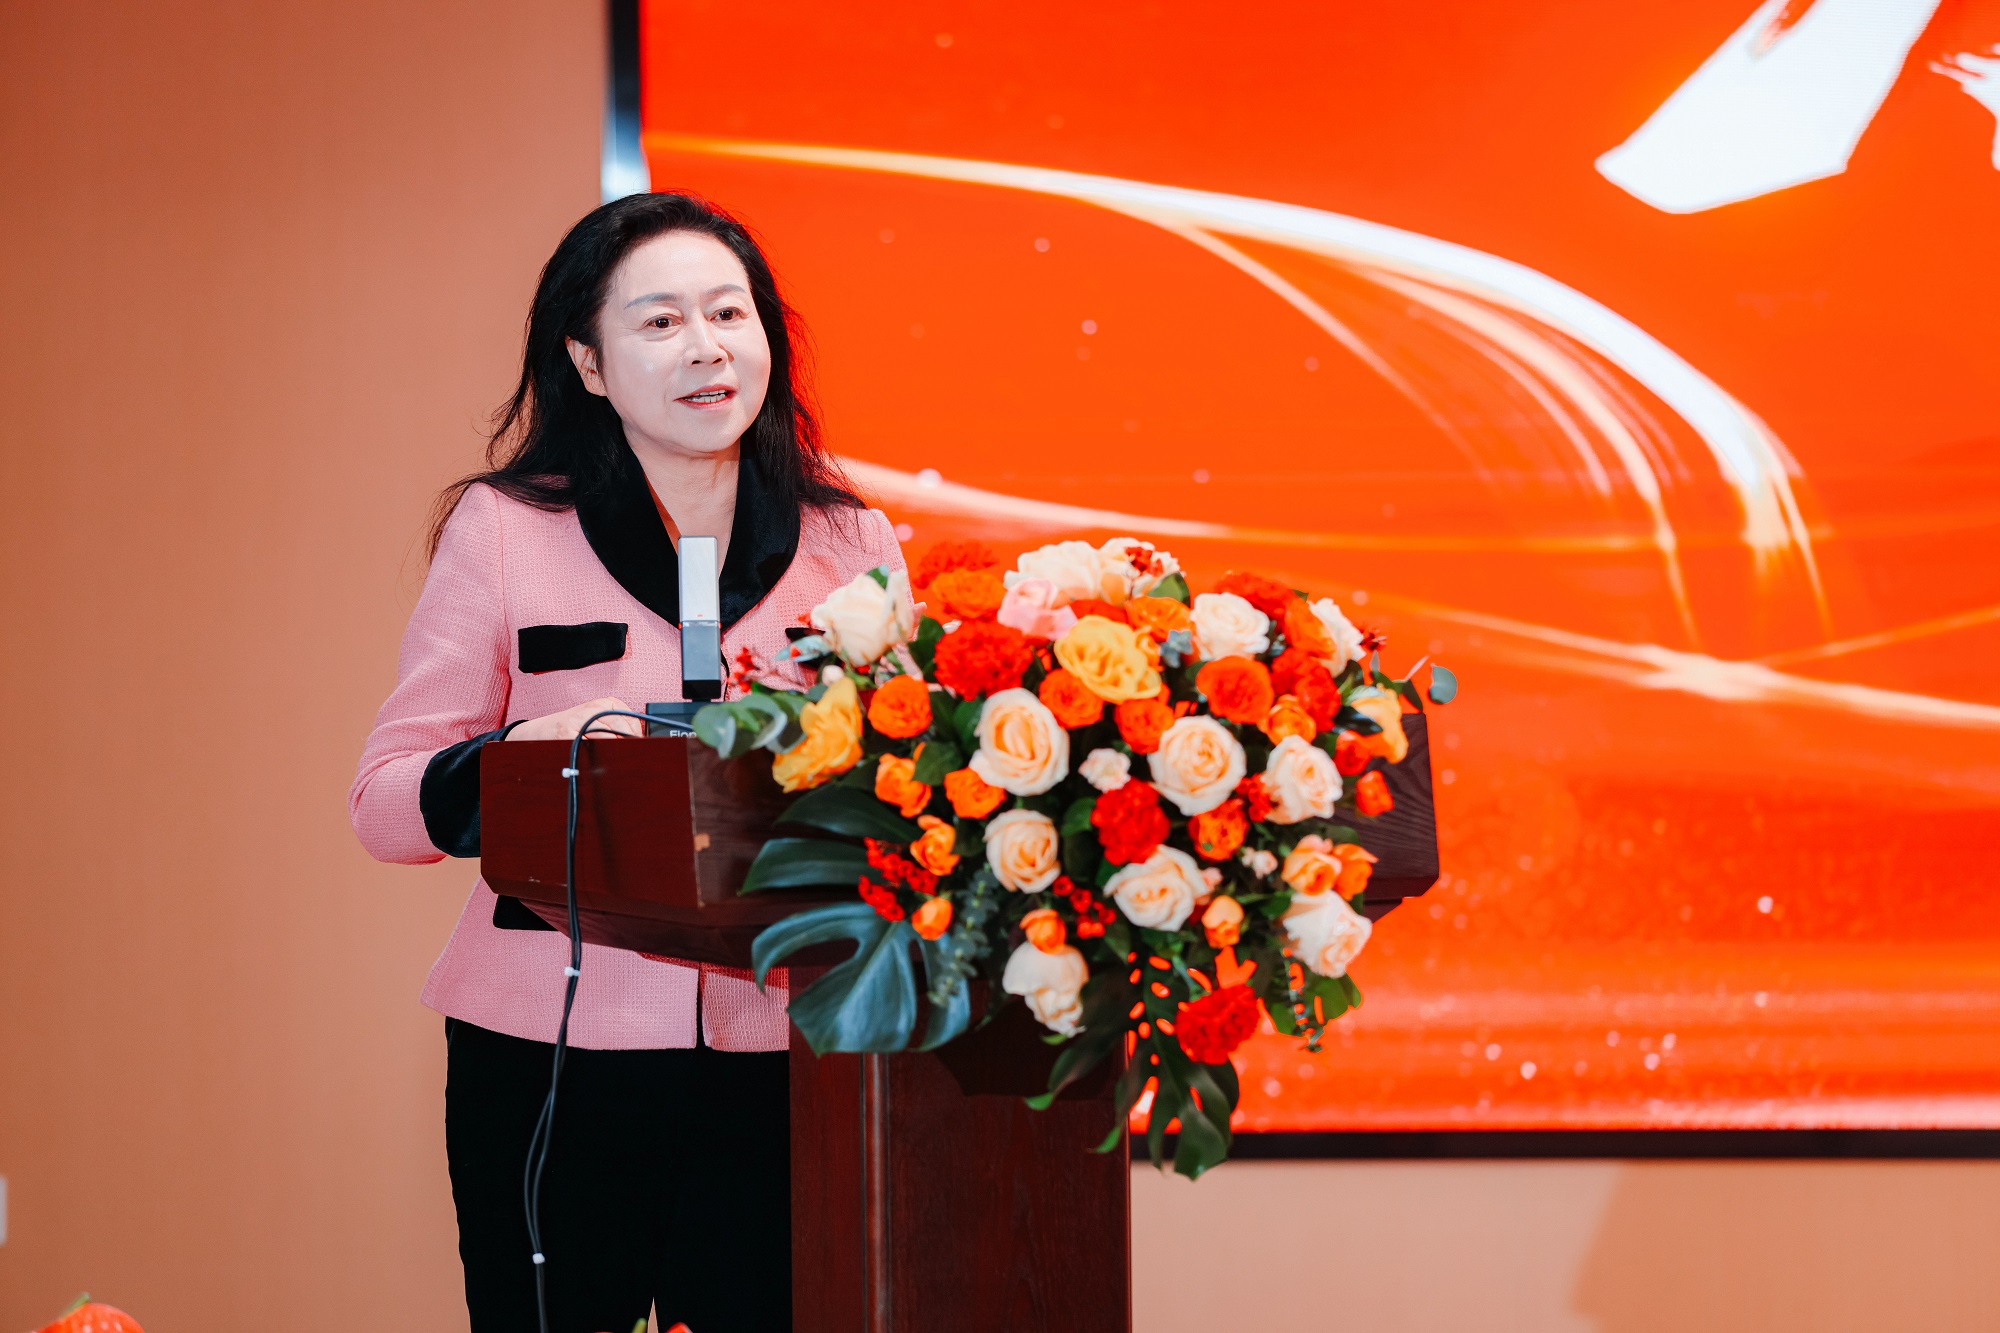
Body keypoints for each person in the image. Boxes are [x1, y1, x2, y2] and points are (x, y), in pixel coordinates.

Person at [350, 192, 903, 1333]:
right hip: (551, 1050)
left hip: (781, 1049)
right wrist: (522, 756)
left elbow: (903, 792)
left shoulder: (851, 541)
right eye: (659, 321)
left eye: (729, 313)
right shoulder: (508, 529)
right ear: (588, 363)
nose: (706, 346)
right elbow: (385, 802)